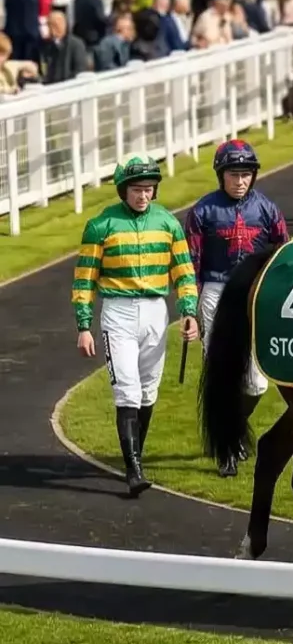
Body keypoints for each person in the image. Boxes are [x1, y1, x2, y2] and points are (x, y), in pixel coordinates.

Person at [73, 156, 198, 498]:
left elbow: (184, 272)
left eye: (148, 189)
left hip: (157, 312)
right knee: (127, 390)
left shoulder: (169, 224)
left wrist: (189, 311)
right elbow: (84, 279)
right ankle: (134, 470)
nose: (143, 196)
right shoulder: (101, 226)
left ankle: (133, 456)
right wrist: (84, 326)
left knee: (148, 392)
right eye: (136, 189)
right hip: (118, 313)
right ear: (123, 190)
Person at [182, 140, 289, 474]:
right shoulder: (202, 212)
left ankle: (231, 431)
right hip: (214, 291)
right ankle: (227, 448)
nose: (240, 181)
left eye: (245, 174)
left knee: (257, 383)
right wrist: (189, 311)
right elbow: (191, 265)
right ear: (221, 175)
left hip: (254, 294)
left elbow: (284, 259)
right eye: (233, 174)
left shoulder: (269, 211)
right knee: (222, 372)